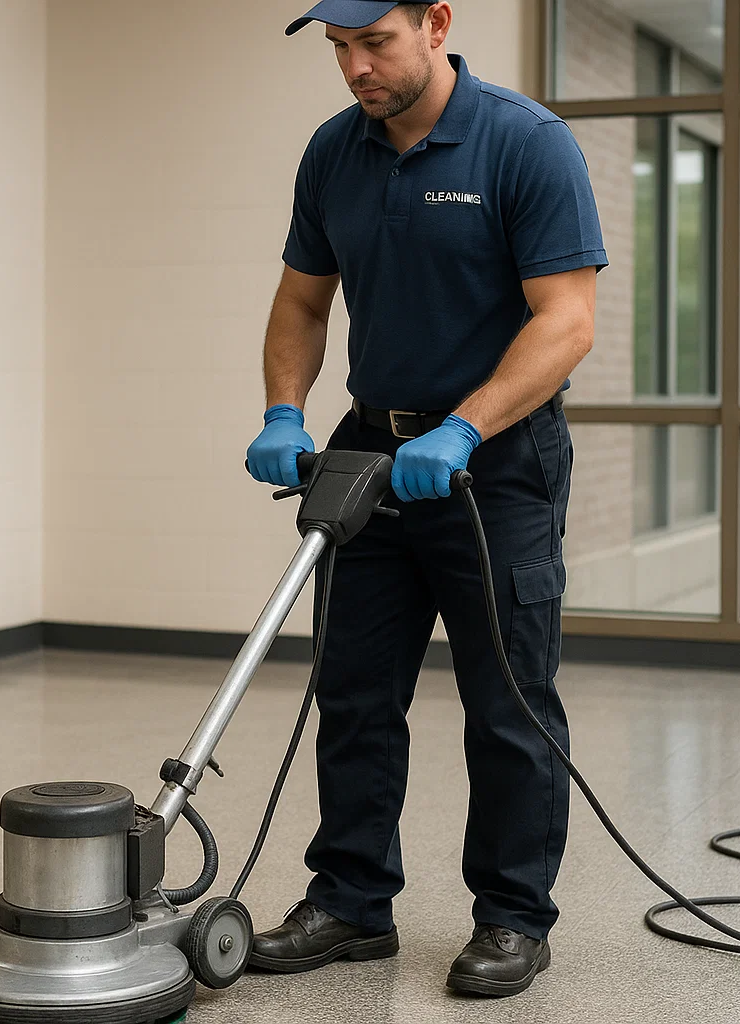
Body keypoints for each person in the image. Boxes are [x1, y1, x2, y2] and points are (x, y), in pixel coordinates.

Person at [245, 0, 607, 998]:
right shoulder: (333, 154)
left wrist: (465, 427)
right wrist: (285, 412)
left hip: (495, 461)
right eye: (338, 50)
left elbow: (566, 320)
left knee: (506, 699)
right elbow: (302, 299)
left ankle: (512, 918)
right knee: (355, 688)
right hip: (370, 452)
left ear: (437, 22)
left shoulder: (523, 143)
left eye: (375, 43)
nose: (355, 67)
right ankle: (351, 901)